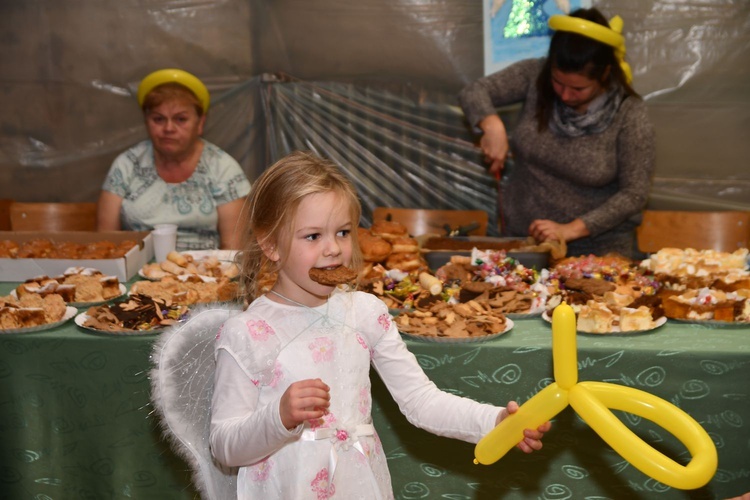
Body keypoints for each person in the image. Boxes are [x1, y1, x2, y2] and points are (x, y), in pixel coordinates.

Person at [209, 151, 551, 499]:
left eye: (342, 232)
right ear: (270, 245)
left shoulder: (365, 313)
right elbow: (224, 446)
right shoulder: (247, 332)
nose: (333, 249)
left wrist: (493, 422)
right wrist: (278, 417)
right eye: (312, 236)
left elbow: (421, 400)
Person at [459, 8, 655, 258]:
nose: (564, 95)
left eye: (578, 88)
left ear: (605, 74)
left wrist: (571, 229)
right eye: (557, 82)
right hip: (524, 242)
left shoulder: (630, 114)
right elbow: (474, 91)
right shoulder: (534, 75)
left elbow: (634, 194)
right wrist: (491, 124)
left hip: (597, 253)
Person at [97, 69, 251, 250]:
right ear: (146, 121)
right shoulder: (126, 165)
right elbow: (106, 244)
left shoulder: (222, 168)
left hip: (207, 273)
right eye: (158, 119)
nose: (169, 128)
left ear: (200, 123)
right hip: (137, 273)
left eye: (180, 119)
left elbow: (233, 248)